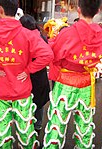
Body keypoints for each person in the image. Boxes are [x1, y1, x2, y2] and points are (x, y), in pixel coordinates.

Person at [0, 0, 53, 149]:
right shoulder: (27, 33)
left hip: (0, 90)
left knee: (2, 132)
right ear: (17, 10)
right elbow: (47, 54)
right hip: (22, 90)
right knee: (26, 132)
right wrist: (28, 70)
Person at [43, 0, 102, 149]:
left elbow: (54, 55)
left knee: (57, 124)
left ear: (78, 10)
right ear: (98, 11)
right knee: (85, 125)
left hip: (65, 84)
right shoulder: (100, 35)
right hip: (87, 85)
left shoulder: (67, 32)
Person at [20, 14, 50, 132]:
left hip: (32, 76)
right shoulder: (40, 36)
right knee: (39, 102)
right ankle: (37, 125)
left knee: (31, 102)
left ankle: (31, 127)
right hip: (40, 76)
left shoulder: (29, 38)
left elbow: (47, 56)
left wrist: (28, 69)